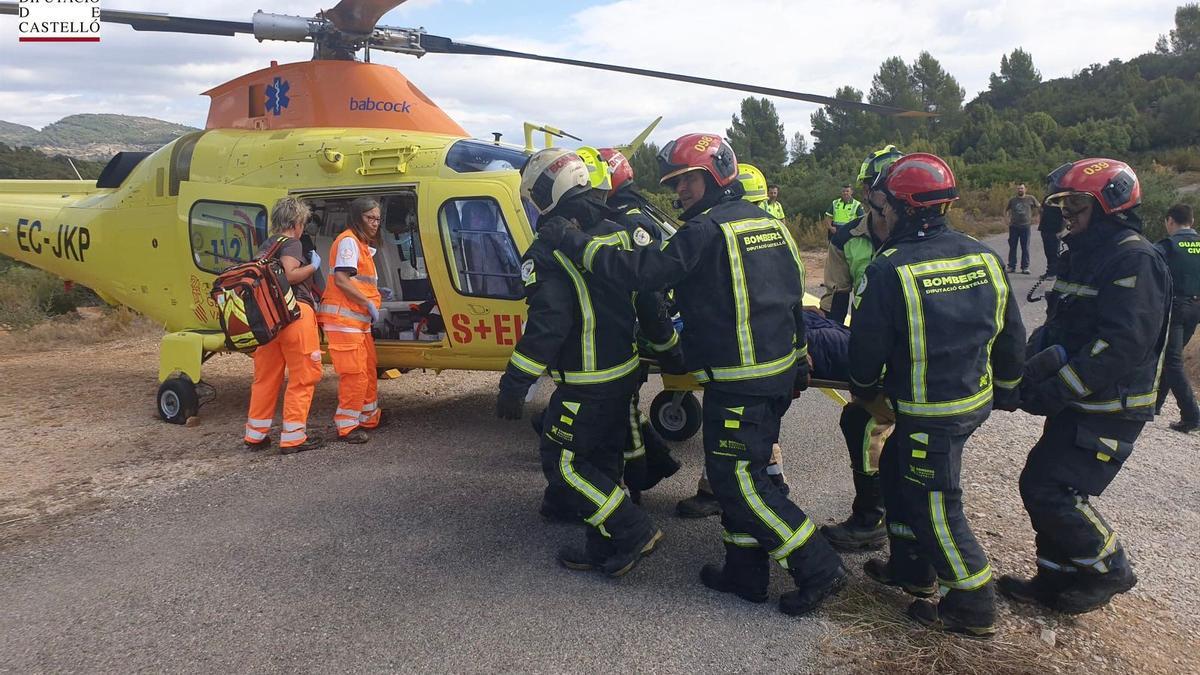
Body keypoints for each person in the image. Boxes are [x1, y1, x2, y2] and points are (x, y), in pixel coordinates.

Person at [539, 133, 846, 616]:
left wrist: (576, 244)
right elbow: (793, 300)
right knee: (745, 471)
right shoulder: (770, 226)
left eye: (686, 181)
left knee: (738, 482)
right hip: (776, 373)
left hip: (740, 379)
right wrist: (801, 356)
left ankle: (818, 567)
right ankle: (744, 574)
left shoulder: (706, 231)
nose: (679, 191)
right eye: (675, 182)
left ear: (713, 175)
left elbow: (641, 272)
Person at [850, 153, 1025, 637]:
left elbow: (865, 351)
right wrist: (1007, 389)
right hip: (971, 400)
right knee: (894, 468)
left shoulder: (889, 269)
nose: (877, 213)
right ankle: (911, 568)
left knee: (933, 501)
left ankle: (973, 604)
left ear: (901, 210)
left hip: (931, 409)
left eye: (881, 205)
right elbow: (1012, 334)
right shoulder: (982, 254)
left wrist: (865, 394)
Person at [496, 148, 681, 577]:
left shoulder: (547, 250)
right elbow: (650, 302)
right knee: (601, 458)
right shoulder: (617, 231)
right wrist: (669, 348)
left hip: (586, 381)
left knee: (563, 461)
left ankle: (631, 529)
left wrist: (513, 385)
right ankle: (603, 546)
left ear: (545, 193)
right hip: (625, 373)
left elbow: (548, 325)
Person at [1003, 159, 1170, 616]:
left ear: (1110, 205)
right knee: (1042, 479)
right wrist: (1024, 372)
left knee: (1051, 487)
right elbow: (1059, 327)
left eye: (1077, 203)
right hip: (1083, 402)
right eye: (1063, 204)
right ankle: (1055, 578)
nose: (1067, 213)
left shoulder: (1133, 258)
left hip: (1111, 404)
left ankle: (1110, 568)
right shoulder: (1085, 251)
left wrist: (1057, 390)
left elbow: (1120, 345)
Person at [675, 161, 790, 519]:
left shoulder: (716, 231)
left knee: (739, 457)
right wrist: (799, 357)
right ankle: (754, 487)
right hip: (772, 361)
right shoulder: (774, 230)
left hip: (740, 367)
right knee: (752, 441)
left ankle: (811, 561)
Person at [817, 146, 902, 554]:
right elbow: (836, 300)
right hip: (872, 353)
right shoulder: (848, 237)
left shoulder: (929, 239)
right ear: (869, 191)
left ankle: (875, 520)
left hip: (918, 358)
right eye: (882, 187)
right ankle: (883, 519)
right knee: (861, 421)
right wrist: (831, 355)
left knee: (871, 427)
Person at [243, 197, 325, 453]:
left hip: (269, 321)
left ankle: (255, 435)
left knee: (266, 378)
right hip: (294, 315)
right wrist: (312, 267)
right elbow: (290, 274)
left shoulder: (265, 246)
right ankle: (293, 438)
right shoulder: (292, 244)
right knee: (303, 376)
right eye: (303, 223)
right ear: (296, 222)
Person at [317, 197, 384, 444]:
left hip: (357, 321)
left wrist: (372, 299)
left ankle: (368, 416)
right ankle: (347, 425)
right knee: (354, 373)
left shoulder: (361, 245)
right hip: (345, 320)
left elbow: (358, 282)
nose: (375, 223)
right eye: (370, 218)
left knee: (367, 369)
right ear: (357, 218)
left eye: (377, 218)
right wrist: (367, 302)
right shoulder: (349, 242)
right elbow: (342, 280)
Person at [821, 145, 902, 324]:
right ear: (867, 191)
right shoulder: (844, 240)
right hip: (867, 338)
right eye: (886, 188)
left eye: (902, 187)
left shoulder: (925, 237)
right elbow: (836, 303)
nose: (895, 195)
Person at [1156, 204, 1200, 433]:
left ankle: (1192, 415)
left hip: (1176, 305)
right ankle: (1155, 404)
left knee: (1171, 359)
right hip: (1196, 307)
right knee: (1170, 356)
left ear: (1170, 220)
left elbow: (1149, 269)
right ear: (1191, 221)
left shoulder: (1169, 245)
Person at [1005, 184, 1040, 274]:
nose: (1020, 190)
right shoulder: (1013, 200)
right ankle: (1011, 266)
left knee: (1025, 247)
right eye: (1019, 188)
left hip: (1025, 226)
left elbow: (1039, 207)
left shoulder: (1030, 198)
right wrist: (1006, 219)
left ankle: (1025, 267)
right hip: (1014, 226)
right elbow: (1006, 210)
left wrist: (1040, 217)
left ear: (1026, 189)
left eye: (1022, 188)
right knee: (1013, 247)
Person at [1038, 198, 1064, 279]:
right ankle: (1049, 271)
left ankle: (1054, 273)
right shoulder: (1047, 199)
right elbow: (1041, 210)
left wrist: (1062, 231)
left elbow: (1065, 217)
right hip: (1045, 229)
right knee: (1048, 252)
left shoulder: (1061, 200)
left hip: (1055, 230)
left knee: (1054, 253)